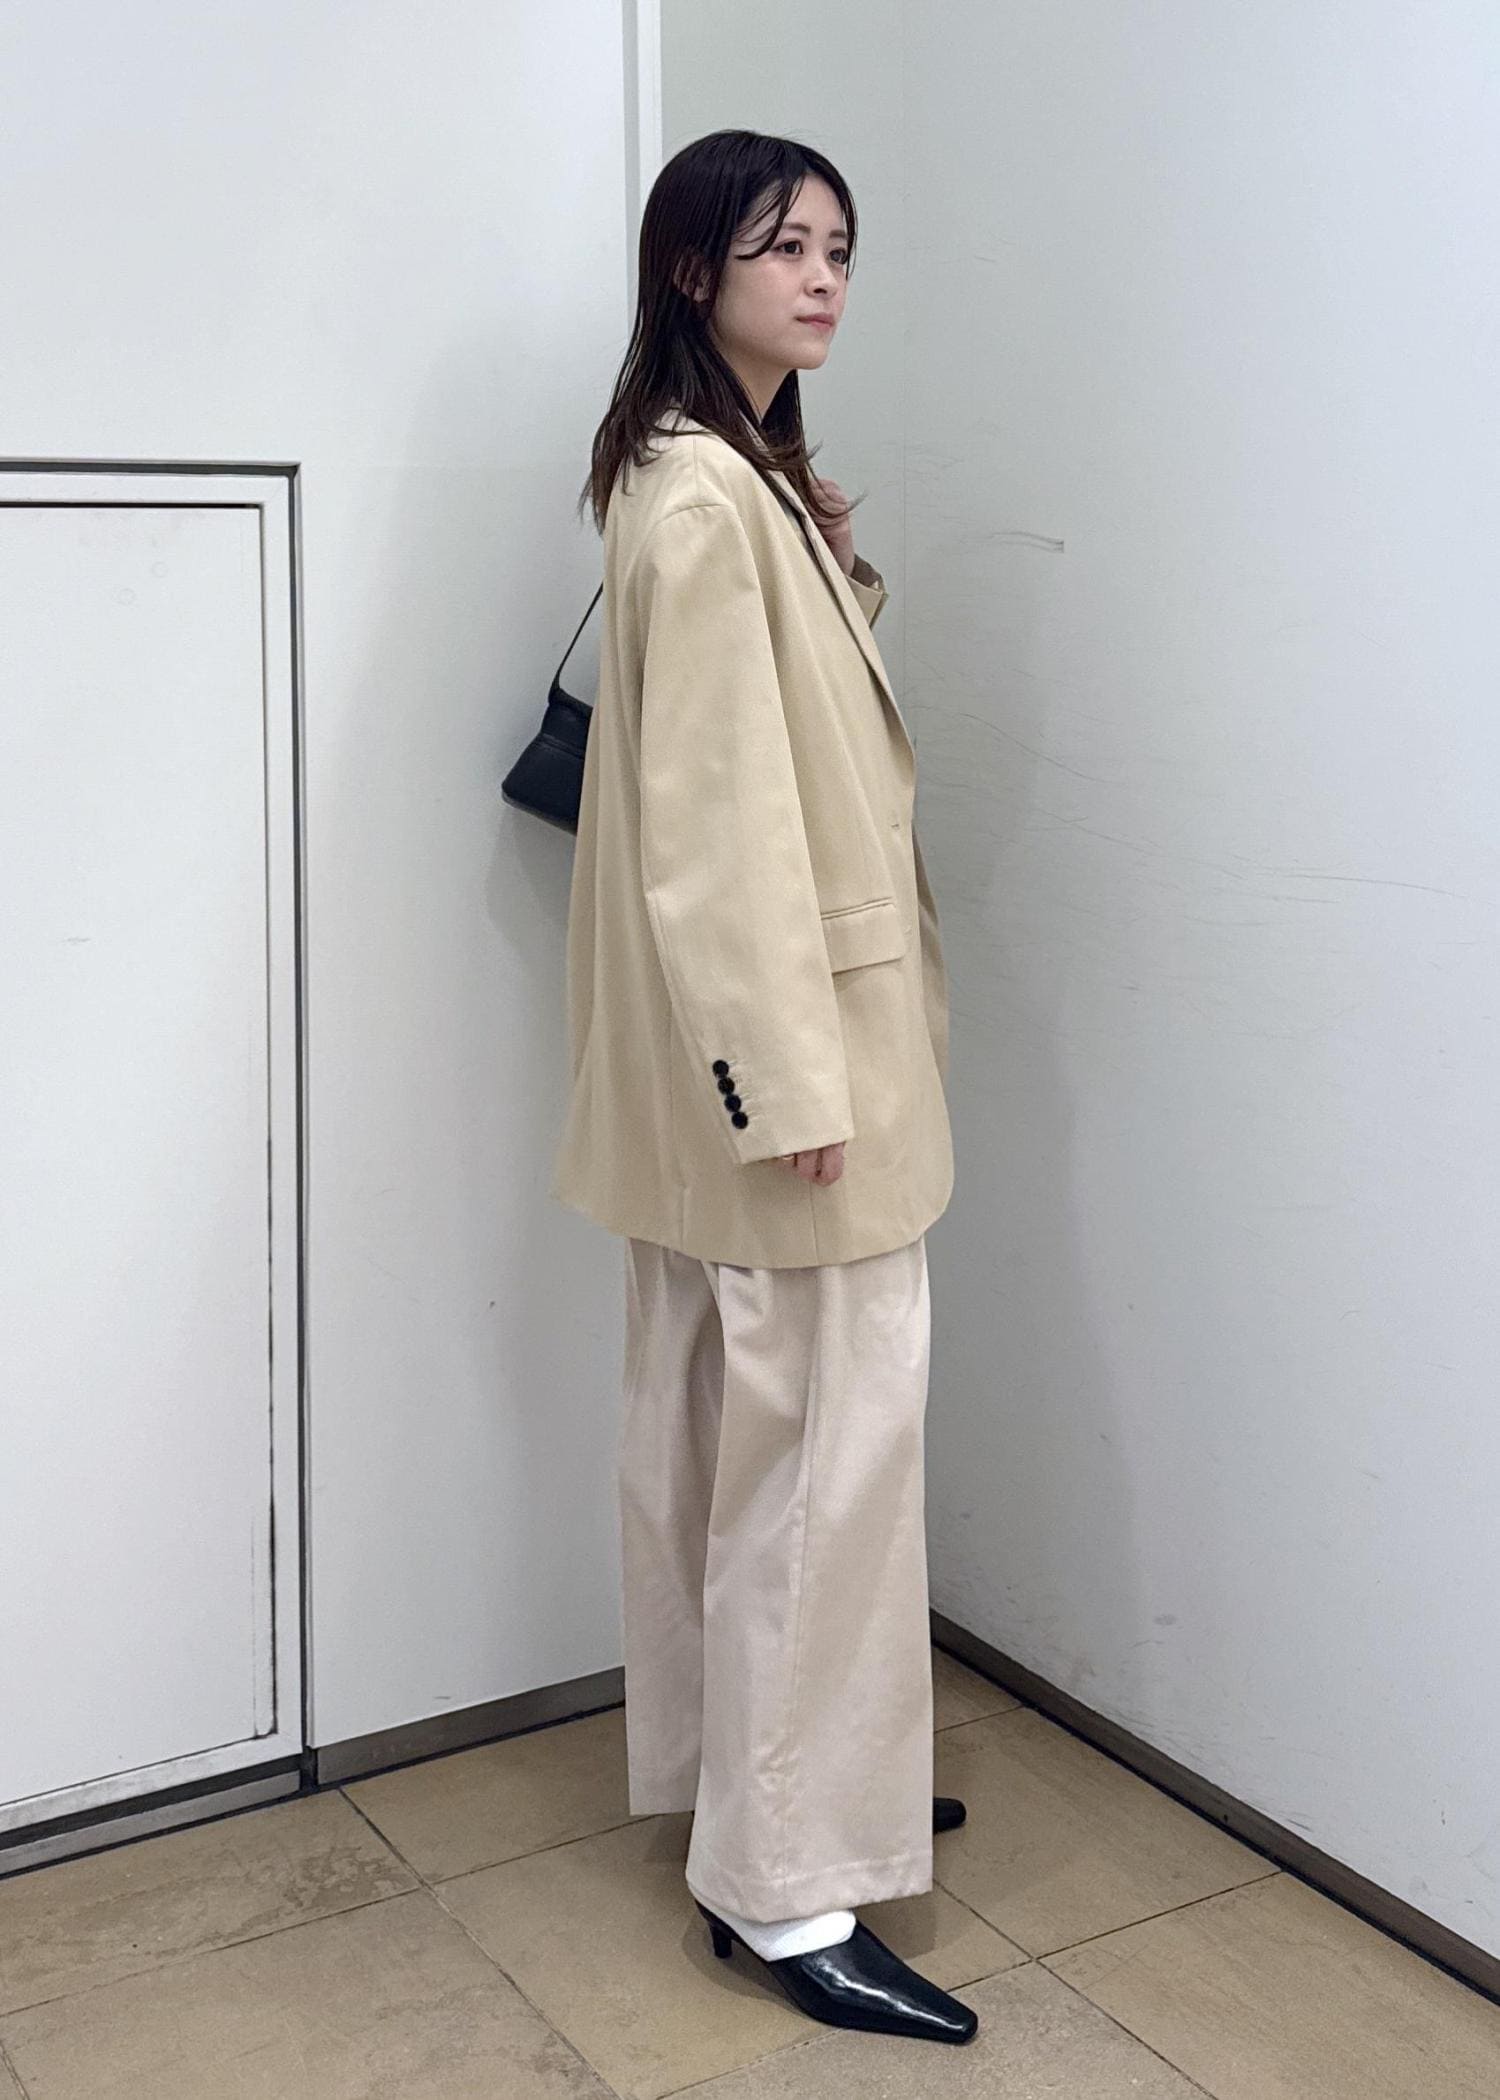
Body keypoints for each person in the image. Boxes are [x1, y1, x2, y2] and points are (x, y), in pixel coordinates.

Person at [550, 128, 973, 2046]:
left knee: (743, 1456)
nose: (821, 278)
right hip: (792, 1089)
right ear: (690, 268)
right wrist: (788, 1082)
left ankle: (769, 1786)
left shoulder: (718, 473)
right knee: (817, 1479)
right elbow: (714, 838)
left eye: (840, 249)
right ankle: (788, 1884)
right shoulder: (707, 498)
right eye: (782, 245)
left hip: (737, 1089)